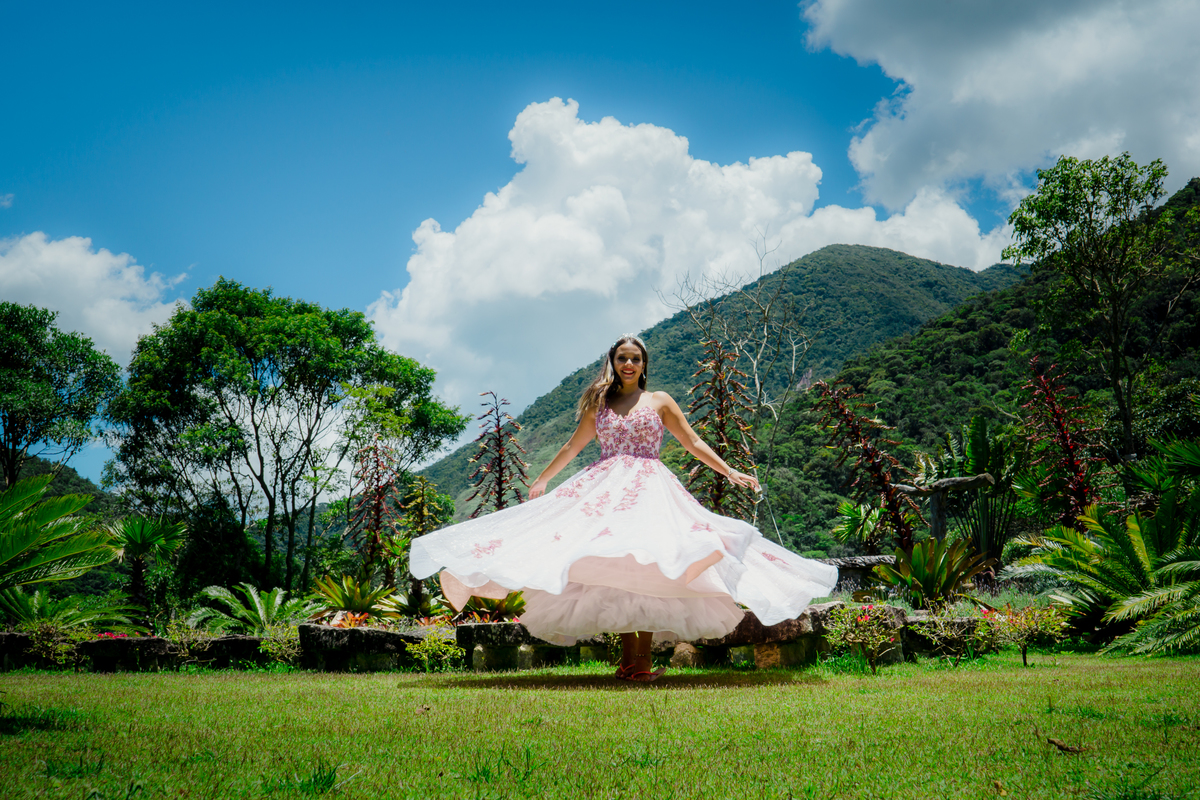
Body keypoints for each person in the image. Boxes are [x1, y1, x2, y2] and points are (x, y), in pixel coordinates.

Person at [410, 334, 837, 682]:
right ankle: (631, 663)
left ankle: (641, 663)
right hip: (605, 489)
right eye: (621, 358)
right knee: (614, 566)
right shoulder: (600, 405)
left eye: (634, 358)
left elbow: (693, 442)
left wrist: (730, 472)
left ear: (644, 364)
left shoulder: (661, 401)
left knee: (650, 565)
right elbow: (573, 446)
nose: (628, 365)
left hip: (651, 491)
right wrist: (543, 479)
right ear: (612, 363)